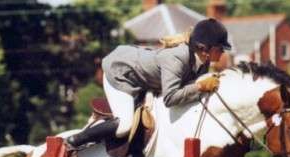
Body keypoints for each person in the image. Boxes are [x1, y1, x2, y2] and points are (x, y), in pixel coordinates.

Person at [67, 18, 231, 148]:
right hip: (121, 72)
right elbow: (170, 98)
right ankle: (76, 140)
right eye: (220, 48)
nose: (223, 52)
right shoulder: (176, 59)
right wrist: (200, 86)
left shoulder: (203, 62)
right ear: (204, 49)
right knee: (125, 125)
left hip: (144, 77)